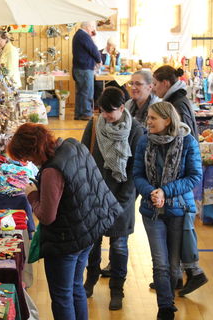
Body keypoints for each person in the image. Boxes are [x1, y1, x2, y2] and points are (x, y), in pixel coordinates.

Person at [7, 123, 122, 320]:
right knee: (76, 287)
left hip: (66, 240)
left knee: (61, 296)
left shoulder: (52, 170)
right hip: (88, 230)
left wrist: (32, 196)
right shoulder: (72, 145)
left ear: (33, 150)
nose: (28, 162)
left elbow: (47, 216)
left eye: (27, 157)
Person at [133, 102, 202, 319]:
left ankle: (169, 299)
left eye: (153, 118)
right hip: (152, 210)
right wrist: (152, 192)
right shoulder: (144, 141)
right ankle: (165, 307)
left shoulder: (188, 142)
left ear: (167, 120)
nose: (148, 122)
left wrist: (165, 191)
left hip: (179, 210)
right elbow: (137, 175)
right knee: (160, 263)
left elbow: (194, 176)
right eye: (148, 118)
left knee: (173, 266)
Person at [80, 87, 143, 310]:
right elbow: (84, 158)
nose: (106, 115)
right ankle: (90, 279)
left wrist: (123, 200)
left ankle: (117, 289)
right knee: (92, 244)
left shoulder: (136, 130)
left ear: (123, 108)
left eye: (111, 112)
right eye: (102, 111)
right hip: (95, 196)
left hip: (121, 199)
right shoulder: (95, 125)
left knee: (119, 246)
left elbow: (137, 170)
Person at [153, 66, 208, 296]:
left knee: (183, 230)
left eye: (155, 83)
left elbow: (183, 139)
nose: (154, 88)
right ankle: (174, 276)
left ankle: (194, 273)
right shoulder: (178, 99)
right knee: (177, 233)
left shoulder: (177, 104)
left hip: (179, 181)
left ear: (166, 83)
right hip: (177, 180)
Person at [72, 21, 101, 121]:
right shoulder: (83, 35)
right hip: (85, 68)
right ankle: (86, 114)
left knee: (81, 92)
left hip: (79, 68)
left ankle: (79, 114)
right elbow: (93, 49)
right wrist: (99, 60)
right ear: (87, 27)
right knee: (87, 91)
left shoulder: (78, 35)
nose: (93, 29)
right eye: (92, 27)